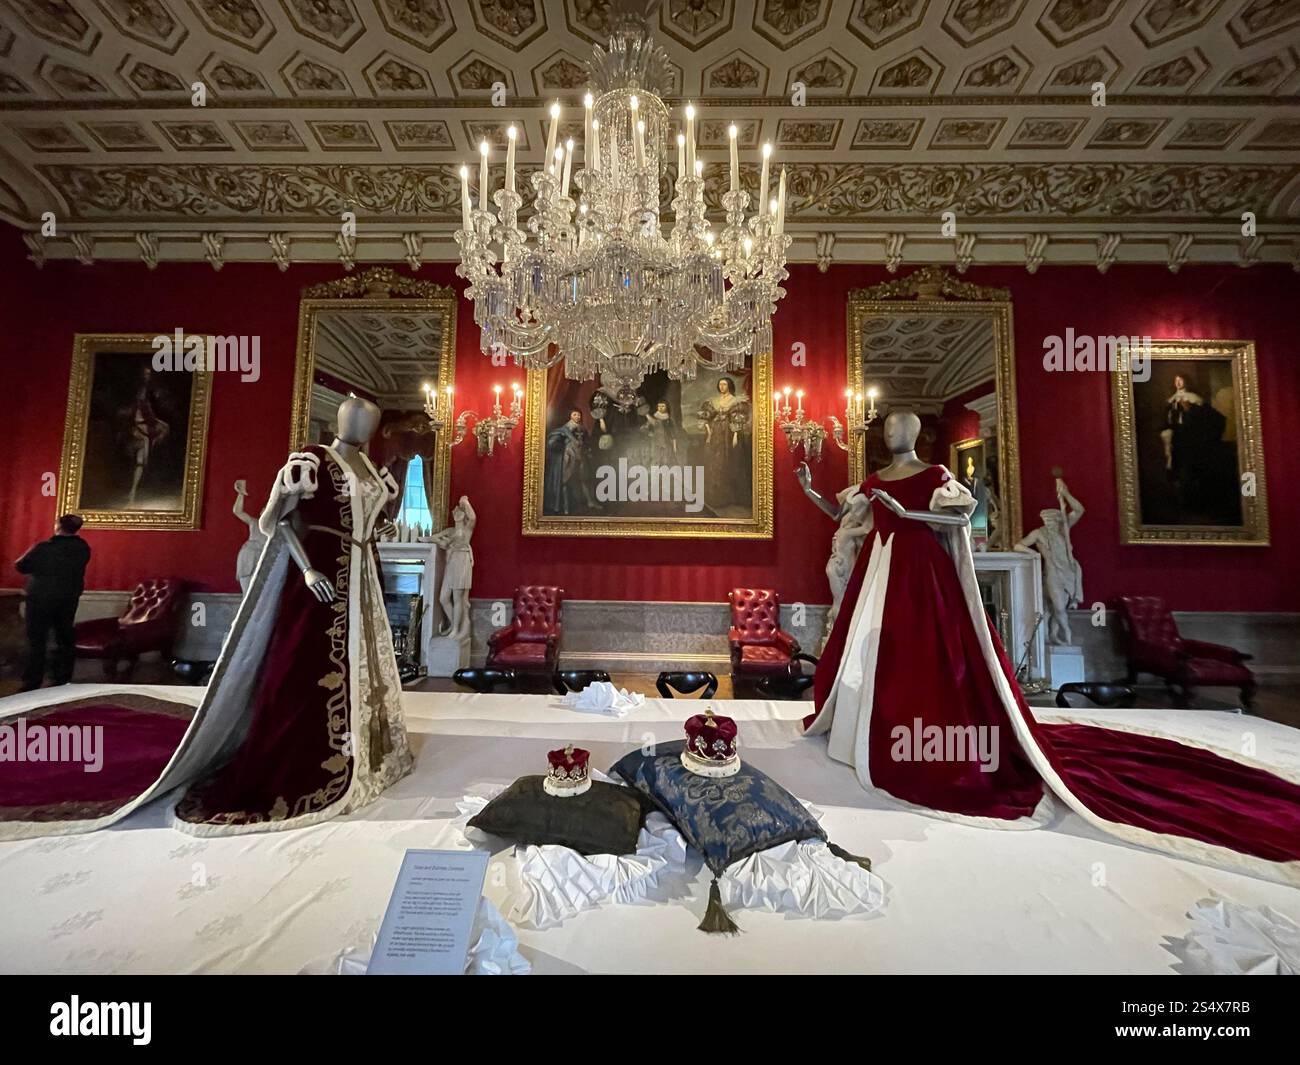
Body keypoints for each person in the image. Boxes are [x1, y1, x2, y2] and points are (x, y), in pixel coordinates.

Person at [808, 408, 1300, 886]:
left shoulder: (936, 474)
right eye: (889, 426)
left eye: (901, 426)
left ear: (914, 433)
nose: (893, 433)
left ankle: (915, 735)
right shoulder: (874, 478)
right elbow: (846, 516)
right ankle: (864, 730)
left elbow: (959, 522)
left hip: (919, 572)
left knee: (922, 657)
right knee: (873, 652)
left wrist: (907, 511)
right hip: (879, 567)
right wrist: (812, 492)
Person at [16, 514, 91, 691]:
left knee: (37, 640)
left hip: (40, 598)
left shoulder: (44, 548)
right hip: (68, 598)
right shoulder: (83, 548)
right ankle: (62, 679)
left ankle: (32, 681)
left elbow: (20, 566)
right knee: (64, 638)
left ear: (58, 525)